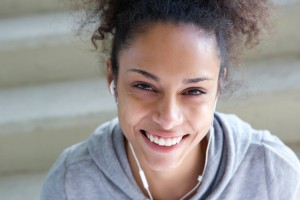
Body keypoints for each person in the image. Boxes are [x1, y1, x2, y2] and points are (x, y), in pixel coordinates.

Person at [41, 0, 300, 199]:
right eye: (144, 86)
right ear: (113, 78)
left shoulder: (272, 173)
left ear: (219, 85)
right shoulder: (71, 184)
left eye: (193, 91)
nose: (168, 118)